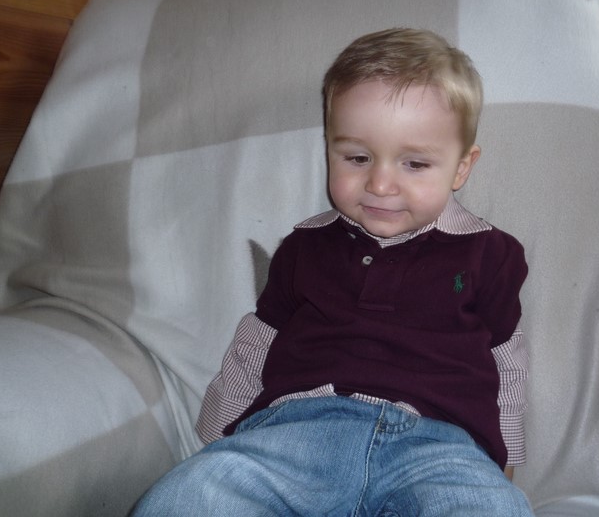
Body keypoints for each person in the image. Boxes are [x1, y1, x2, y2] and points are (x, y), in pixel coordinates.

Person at [132, 28, 532, 516]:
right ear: (329, 150)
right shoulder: (304, 246)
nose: (380, 183)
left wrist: (504, 460)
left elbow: (508, 361)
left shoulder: (490, 254)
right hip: (297, 432)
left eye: (414, 163)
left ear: (462, 168)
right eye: (358, 158)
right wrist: (215, 442)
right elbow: (256, 342)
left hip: (440, 446)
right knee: (184, 498)